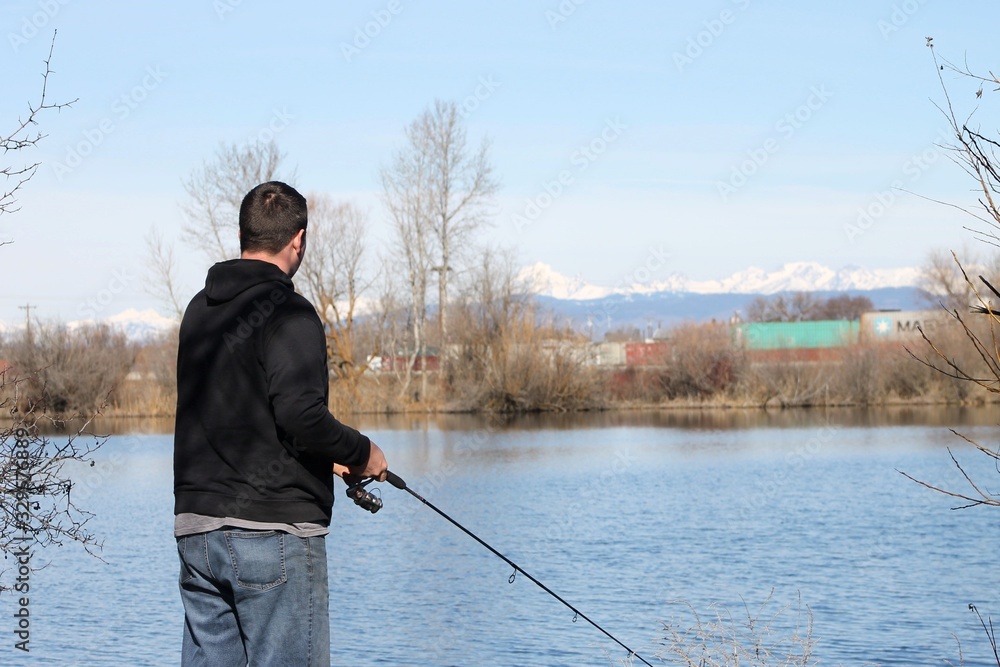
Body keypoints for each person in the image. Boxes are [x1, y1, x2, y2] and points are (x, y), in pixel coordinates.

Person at [173, 180, 388, 667]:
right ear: (299, 240)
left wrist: (321, 456)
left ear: (244, 236)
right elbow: (300, 415)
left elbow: (241, 415)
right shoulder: (290, 312)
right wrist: (362, 453)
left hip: (197, 532)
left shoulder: (199, 312)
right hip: (274, 535)